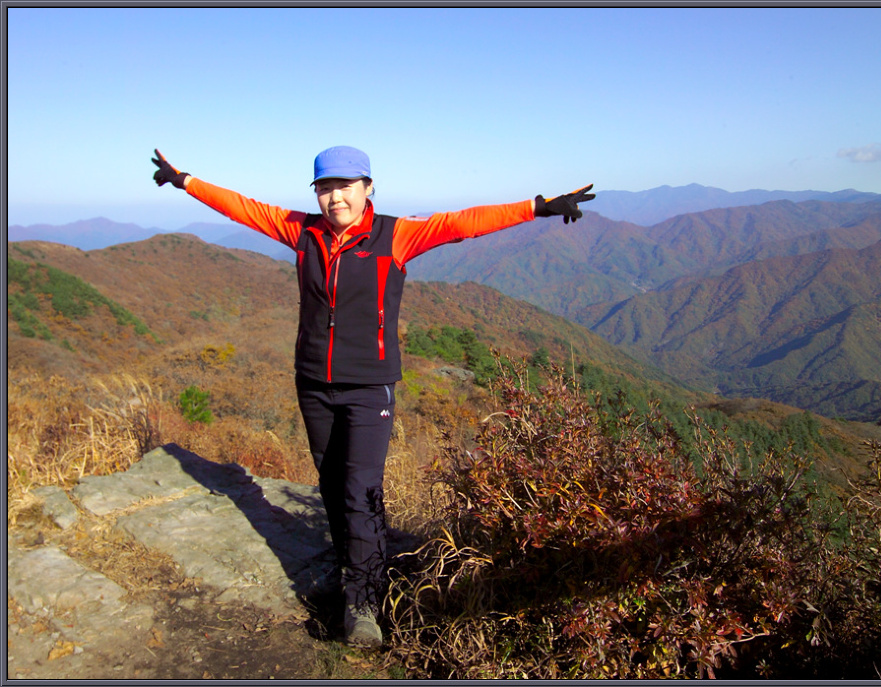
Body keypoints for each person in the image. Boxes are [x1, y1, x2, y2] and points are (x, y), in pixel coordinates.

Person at [151, 145, 594, 648]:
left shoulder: (395, 235)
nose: (334, 196)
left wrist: (537, 206)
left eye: (344, 185)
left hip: (369, 386)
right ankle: (351, 569)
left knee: (362, 490)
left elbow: (463, 223)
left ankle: (364, 602)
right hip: (313, 383)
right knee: (333, 483)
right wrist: (185, 180)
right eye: (323, 187)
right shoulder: (303, 231)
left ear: (367, 188)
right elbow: (242, 207)